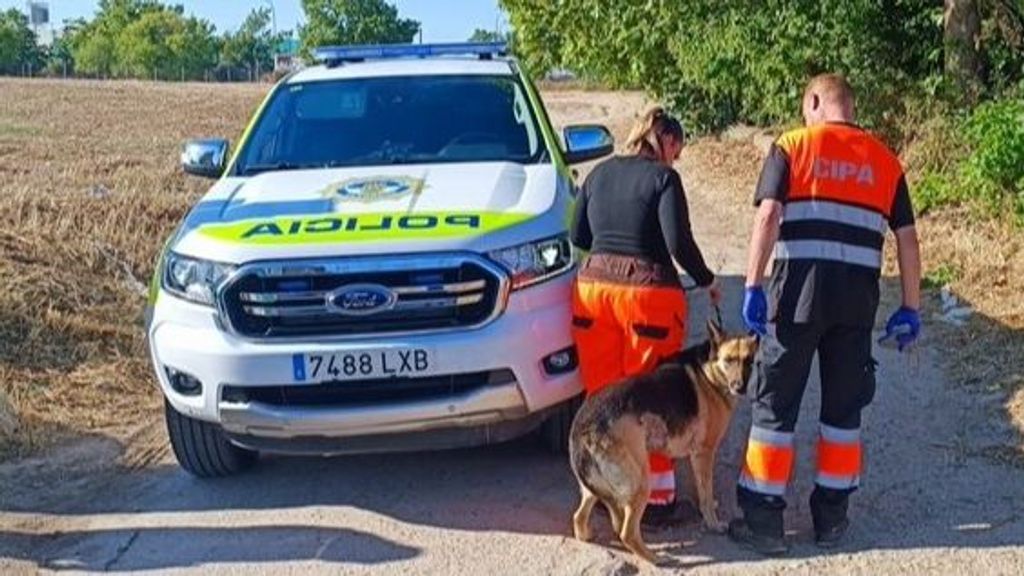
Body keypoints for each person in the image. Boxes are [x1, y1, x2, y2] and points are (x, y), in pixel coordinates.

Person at [729, 74, 922, 554]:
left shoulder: (793, 146)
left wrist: (752, 284)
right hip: (856, 304)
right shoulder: (885, 160)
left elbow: (769, 215)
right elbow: (908, 239)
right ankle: (832, 518)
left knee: (775, 405)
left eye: (805, 107)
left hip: (796, 298)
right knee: (843, 409)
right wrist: (911, 307)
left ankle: (764, 521)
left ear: (814, 102)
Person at [570, 106, 721, 527]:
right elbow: (678, 241)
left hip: (592, 293)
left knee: (602, 398)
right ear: (667, 141)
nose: (677, 159)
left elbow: (578, 236)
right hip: (646, 298)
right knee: (652, 398)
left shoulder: (599, 174)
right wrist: (706, 279)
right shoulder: (663, 178)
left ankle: (603, 493)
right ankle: (657, 503)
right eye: (678, 150)